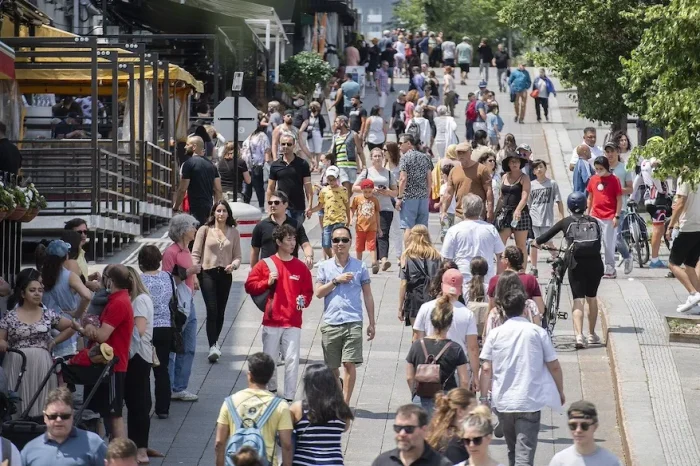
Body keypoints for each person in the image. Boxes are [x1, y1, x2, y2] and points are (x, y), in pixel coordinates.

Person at [479, 278, 565, 466]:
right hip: (529, 401)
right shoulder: (537, 332)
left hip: (503, 402)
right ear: (525, 309)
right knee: (524, 457)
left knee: (512, 452)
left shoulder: (495, 334)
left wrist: (483, 398)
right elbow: (554, 365)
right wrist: (560, 391)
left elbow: (486, 368)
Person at [245, 224, 313, 402]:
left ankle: (289, 397)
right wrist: (266, 282)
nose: (293, 243)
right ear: (278, 241)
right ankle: (272, 390)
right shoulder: (265, 264)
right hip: (272, 320)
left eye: (294, 239)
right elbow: (249, 285)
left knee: (292, 359)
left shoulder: (300, 267)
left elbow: (308, 291)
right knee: (270, 360)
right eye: (289, 239)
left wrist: (303, 301)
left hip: (293, 321)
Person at [0, 269, 77, 417]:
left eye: (40, 290)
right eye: (32, 290)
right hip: (16, 364)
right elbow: (1, 338)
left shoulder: (48, 314)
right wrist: (3, 343)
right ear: (23, 293)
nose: (37, 294)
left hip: (42, 364)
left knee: (41, 407)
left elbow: (72, 326)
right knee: (17, 407)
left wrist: (54, 341)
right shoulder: (10, 316)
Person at [533, 192, 605, 347]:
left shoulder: (565, 222)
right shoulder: (595, 222)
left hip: (576, 264)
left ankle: (579, 336)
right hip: (595, 264)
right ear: (586, 205)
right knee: (591, 298)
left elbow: (544, 237)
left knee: (578, 299)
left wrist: (535, 243)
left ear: (569, 206)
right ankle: (592, 334)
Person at [315, 226, 376, 404]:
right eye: (336, 240)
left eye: (344, 240)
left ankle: (345, 403)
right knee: (332, 368)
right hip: (331, 321)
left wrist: (372, 323)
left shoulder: (360, 266)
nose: (340, 243)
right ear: (331, 243)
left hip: (353, 321)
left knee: (349, 363)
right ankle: (339, 387)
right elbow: (318, 293)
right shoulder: (325, 267)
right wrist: (336, 280)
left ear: (350, 242)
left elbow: (368, 294)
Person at [81, 264, 135, 440]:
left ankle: (120, 454)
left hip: (112, 367)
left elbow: (103, 335)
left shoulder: (118, 303)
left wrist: (84, 328)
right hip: (103, 364)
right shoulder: (116, 300)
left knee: (114, 414)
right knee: (98, 412)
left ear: (110, 281)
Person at [214, 352, 293, 466]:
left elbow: (219, 443)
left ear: (249, 375)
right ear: (271, 376)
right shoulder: (280, 406)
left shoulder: (230, 402)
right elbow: (286, 445)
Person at [412, 268, 480, 388]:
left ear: (442, 285)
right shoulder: (467, 314)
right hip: (459, 368)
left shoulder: (425, 307)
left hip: (430, 367)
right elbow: (472, 348)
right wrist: (475, 375)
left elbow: (417, 340)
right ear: (460, 289)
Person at [192, 201, 242, 362]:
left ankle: (215, 343)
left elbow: (238, 256)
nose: (221, 214)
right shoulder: (204, 230)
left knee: (221, 312)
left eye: (224, 211)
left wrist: (233, 265)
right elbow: (195, 254)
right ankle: (212, 345)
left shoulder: (234, 232)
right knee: (212, 309)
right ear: (213, 213)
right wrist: (194, 275)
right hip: (207, 273)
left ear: (228, 214)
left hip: (225, 274)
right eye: (218, 211)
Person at [406, 295, 469, 414]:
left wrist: (415, 395)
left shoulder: (417, 345)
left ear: (432, 321)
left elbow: (409, 376)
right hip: (447, 399)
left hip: (421, 398)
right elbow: (464, 380)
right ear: (449, 324)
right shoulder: (456, 348)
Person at [162, 214, 201, 402]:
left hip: (188, 302)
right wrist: (190, 272)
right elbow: (167, 280)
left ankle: (179, 387)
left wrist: (194, 280)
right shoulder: (171, 253)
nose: (195, 230)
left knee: (189, 346)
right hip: (176, 305)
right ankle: (170, 387)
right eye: (192, 227)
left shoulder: (186, 251)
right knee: (173, 346)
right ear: (184, 230)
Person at [21, 387, 107, 465]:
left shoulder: (94, 444)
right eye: (53, 416)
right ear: (45, 417)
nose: (59, 420)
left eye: (64, 416)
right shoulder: (30, 449)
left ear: (72, 415)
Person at [290, 364, 354, 465]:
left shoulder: (298, 408)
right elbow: (345, 428)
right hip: (333, 462)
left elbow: (285, 432)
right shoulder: (341, 408)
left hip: (303, 462)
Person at [138, 245, 175, 419]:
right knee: (162, 369)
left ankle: (144, 406)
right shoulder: (168, 277)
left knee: (144, 369)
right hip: (166, 327)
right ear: (159, 261)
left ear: (140, 263)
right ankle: (163, 409)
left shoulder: (139, 281)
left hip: (146, 328)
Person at [40, 240, 92, 358]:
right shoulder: (69, 276)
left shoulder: (41, 276)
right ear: (66, 257)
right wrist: (77, 313)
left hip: (45, 324)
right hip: (68, 327)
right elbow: (87, 296)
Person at [442, 194, 504, 291]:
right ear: (481, 209)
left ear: (463, 208)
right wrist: (497, 278)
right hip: (487, 281)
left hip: (461, 282)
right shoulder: (490, 229)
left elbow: (446, 260)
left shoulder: (454, 230)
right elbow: (500, 256)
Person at [124, 267, 154, 463]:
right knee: (138, 402)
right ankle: (138, 446)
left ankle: (140, 448)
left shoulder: (140, 300)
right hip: (138, 356)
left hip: (138, 356)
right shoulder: (139, 299)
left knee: (138, 403)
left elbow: (139, 330)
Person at [354, 148, 398, 271]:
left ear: (383, 157)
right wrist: (370, 190)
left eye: (380, 156)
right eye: (375, 156)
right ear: (371, 158)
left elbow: (395, 192)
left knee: (383, 233)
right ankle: (376, 260)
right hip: (369, 209)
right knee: (373, 235)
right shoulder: (367, 172)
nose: (377, 158)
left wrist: (387, 191)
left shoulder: (388, 173)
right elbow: (354, 187)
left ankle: (383, 259)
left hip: (385, 207)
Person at [370, 405, 452, 466]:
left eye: (408, 429)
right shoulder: (382, 462)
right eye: (398, 428)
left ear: (424, 430)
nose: (402, 434)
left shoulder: (440, 464)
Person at [549, 401, 622, 466]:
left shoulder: (610, 462)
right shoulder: (559, 461)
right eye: (573, 426)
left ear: (595, 426)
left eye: (584, 426)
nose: (578, 430)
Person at [252, 190, 313, 267]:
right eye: (270, 203)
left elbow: (306, 245)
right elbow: (255, 251)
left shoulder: (295, 224)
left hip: (290, 269)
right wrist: (254, 270)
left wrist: (309, 257)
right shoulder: (261, 226)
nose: (273, 205)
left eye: (276, 203)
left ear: (285, 204)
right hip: (268, 269)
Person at [665, 179, 700, 313]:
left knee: (672, 264)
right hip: (698, 227)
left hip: (688, 227)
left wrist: (671, 225)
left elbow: (680, 203)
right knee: (690, 265)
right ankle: (697, 300)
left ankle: (693, 294)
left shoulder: (685, 178)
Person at [586, 156, 623, 279]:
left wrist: (616, 216)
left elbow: (619, 199)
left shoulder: (614, 180)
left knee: (608, 243)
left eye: (600, 168)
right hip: (595, 215)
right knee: (594, 243)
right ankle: (595, 266)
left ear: (606, 167)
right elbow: (590, 197)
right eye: (596, 168)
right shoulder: (593, 179)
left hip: (609, 216)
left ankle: (610, 268)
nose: (598, 170)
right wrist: (588, 214)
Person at [173, 136, 223, 225]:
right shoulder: (211, 165)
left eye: (187, 145)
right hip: (209, 206)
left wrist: (176, 207)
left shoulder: (188, 164)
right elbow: (218, 190)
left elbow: (182, 189)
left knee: (197, 234)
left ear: (194, 147)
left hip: (196, 207)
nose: (185, 147)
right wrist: (217, 208)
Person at [398, 225, 443, 325]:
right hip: (432, 296)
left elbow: (403, 283)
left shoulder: (407, 255)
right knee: (431, 331)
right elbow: (440, 279)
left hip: (414, 297)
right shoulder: (436, 255)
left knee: (416, 333)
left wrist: (400, 307)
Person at [527, 160, 565, 276]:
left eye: (541, 167)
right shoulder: (531, 185)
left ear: (545, 168)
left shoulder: (552, 184)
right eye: (536, 168)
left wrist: (561, 217)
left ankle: (557, 260)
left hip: (547, 218)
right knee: (533, 243)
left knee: (548, 243)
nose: (539, 169)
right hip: (534, 218)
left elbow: (559, 201)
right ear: (533, 171)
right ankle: (534, 267)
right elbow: (529, 203)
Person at [267, 132, 313, 226]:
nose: (285, 146)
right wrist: (270, 208)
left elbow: (308, 187)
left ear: (294, 145)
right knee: (283, 234)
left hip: (298, 206)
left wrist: (310, 206)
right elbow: (270, 188)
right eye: (283, 144)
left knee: (296, 235)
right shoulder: (275, 165)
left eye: (289, 144)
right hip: (281, 206)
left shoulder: (302, 164)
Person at [441, 142, 494, 222]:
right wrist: (444, 211)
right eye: (459, 153)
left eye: (464, 152)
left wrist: (490, 211)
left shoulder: (481, 169)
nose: (461, 155)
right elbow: (448, 193)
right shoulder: (454, 171)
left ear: (470, 152)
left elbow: (488, 191)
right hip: (460, 214)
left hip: (477, 214)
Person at [396, 133, 434, 245]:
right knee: (422, 229)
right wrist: (427, 194)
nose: (399, 146)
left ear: (408, 144)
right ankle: (422, 253)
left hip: (409, 197)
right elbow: (429, 179)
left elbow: (403, 179)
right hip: (423, 197)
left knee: (408, 227)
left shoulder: (404, 158)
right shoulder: (425, 157)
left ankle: (407, 255)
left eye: (400, 143)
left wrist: (399, 197)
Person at [496, 152, 532, 268]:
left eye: (517, 161)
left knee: (521, 245)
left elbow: (525, 196)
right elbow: (501, 197)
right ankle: (501, 270)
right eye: (512, 161)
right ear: (508, 164)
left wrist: (518, 210)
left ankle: (522, 270)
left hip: (520, 214)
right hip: (505, 213)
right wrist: (495, 212)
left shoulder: (524, 177)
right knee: (500, 244)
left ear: (520, 163)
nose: (514, 163)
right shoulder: (504, 176)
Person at [308, 166, 350, 259]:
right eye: (329, 179)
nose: (331, 182)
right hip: (327, 220)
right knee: (326, 244)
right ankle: (332, 258)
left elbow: (347, 205)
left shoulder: (343, 190)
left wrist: (348, 219)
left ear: (337, 178)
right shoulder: (324, 190)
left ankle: (338, 259)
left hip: (339, 220)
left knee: (337, 242)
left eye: (333, 179)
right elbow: (320, 205)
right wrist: (311, 210)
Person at [488, 246, 544, 315]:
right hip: (524, 320)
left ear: (506, 261)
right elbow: (540, 308)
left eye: (501, 257)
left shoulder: (495, 280)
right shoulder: (531, 279)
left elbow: (491, 309)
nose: (500, 260)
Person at [425, 389, 476, 464]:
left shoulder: (443, 432)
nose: (479, 415)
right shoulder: (453, 445)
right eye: (474, 410)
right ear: (460, 411)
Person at [350, 178, 382, 273]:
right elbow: (352, 209)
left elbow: (377, 214)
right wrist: (351, 219)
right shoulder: (357, 199)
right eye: (365, 192)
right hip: (360, 227)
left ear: (372, 190)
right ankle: (358, 263)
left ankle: (374, 263)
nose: (368, 194)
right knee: (359, 246)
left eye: (369, 192)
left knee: (372, 245)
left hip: (372, 227)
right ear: (362, 190)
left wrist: (379, 227)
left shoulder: (374, 200)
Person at [328, 115, 365, 197]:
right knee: (346, 188)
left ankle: (344, 206)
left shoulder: (353, 134)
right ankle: (345, 209)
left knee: (351, 190)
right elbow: (332, 151)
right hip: (341, 166)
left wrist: (364, 164)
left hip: (352, 166)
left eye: (336, 122)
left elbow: (359, 150)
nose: (335, 124)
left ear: (342, 122)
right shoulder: (335, 137)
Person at [239, 115, 270, 207]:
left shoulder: (262, 136)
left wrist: (267, 163)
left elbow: (267, 150)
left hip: (257, 165)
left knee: (258, 187)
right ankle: (246, 205)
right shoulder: (247, 136)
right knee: (246, 187)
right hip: (246, 166)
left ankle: (261, 206)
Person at [63, 218, 101, 289]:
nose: (83, 235)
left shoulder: (81, 252)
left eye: (85, 232)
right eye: (79, 232)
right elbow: (68, 281)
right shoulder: (68, 254)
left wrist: (89, 278)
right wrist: (89, 284)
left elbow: (77, 278)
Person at [385, 141, 404, 265]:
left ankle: (399, 255)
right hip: (386, 199)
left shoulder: (400, 165)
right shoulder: (384, 164)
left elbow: (403, 181)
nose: (383, 152)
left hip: (396, 199)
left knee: (397, 228)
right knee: (388, 229)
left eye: (385, 150)